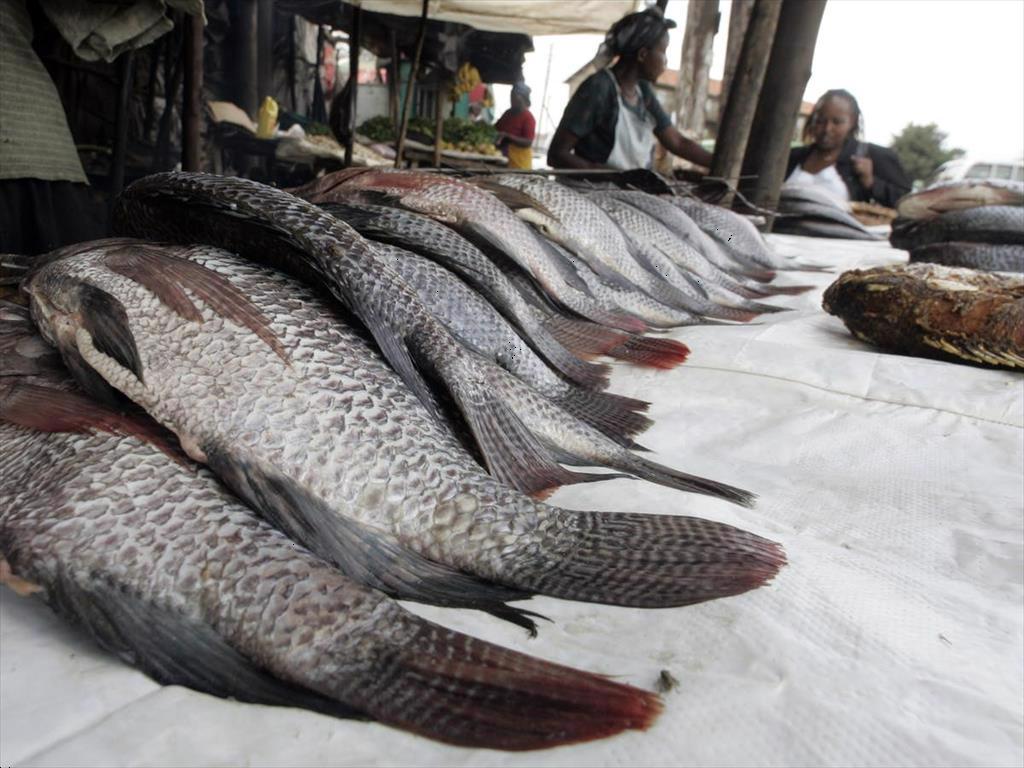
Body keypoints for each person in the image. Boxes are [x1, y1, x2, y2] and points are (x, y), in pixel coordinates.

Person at [547, 7, 711, 172]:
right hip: (591, 189)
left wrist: (717, 162)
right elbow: (557, 154)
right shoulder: (599, 88)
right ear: (642, 55)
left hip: (625, 188)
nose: (665, 61)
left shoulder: (643, 92)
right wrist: (606, 174)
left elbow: (677, 142)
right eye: (663, 52)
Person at [785, 89, 911, 209]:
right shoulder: (793, 157)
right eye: (820, 121)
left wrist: (871, 182)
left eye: (837, 122)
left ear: (853, 122)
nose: (827, 129)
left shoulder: (871, 155)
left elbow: (906, 203)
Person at [494, 82, 536, 170]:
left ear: (523, 98)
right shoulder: (508, 113)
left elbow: (528, 142)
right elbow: (496, 128)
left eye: (514, 97)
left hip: (520, 164)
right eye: (511, 97)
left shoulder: (528, 117)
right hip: (504, 160)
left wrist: (508, 136)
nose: (512, 100)